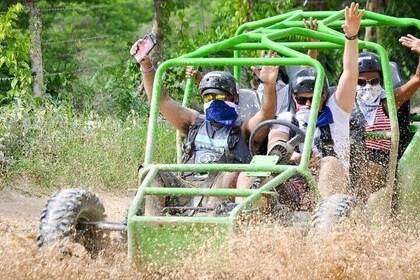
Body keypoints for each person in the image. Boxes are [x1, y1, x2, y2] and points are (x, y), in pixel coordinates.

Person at [132, 47, 279, 215]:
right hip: (188, 188)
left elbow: (266, 114)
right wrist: (146, 65)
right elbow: (161, 100)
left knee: (233, 170)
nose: (215, 101)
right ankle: (151, 228)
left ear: (235, 98)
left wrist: (268, 85)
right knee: (152, 173)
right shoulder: (194, 122)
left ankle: (221, 226)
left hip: (221, 193)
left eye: (221, 97)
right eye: (209, 97)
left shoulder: (244, 129)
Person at [250, 2, 364, 208]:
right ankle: (243, 225)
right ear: (294, 98)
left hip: (334, 192)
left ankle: (325, 230)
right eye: (302, 99)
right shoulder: (287, 118)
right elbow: (275, 146)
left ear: (324, 96)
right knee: (256, 171)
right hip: (295, 184)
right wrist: (296, 156)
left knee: (328, 163)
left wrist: (351, 37)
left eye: (313, 99)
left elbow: (350, 73)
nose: (307, 104)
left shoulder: (337, 111)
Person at [351, 35, 420, 198]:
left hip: (380, 162)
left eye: (373, 82)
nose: (367, 87)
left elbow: (418, 78)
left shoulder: (388, 102)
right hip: (351, 160)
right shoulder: (344, 104)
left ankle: (359, 213)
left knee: (367, 171)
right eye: (361, 83)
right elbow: (312, 92)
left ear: (381, 81)